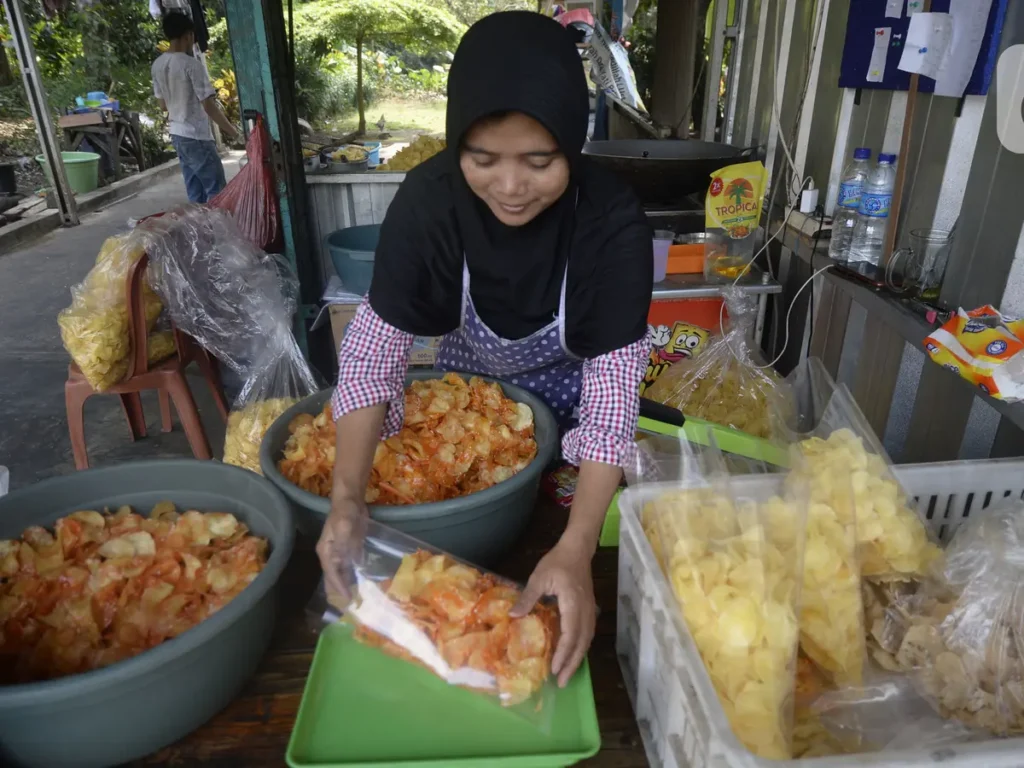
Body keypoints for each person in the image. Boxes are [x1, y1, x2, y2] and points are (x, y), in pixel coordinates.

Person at [317, 11, 653, 687]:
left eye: (539, 160)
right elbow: (373, 356)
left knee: (555, 558)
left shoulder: (610, 220)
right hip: (476, 412)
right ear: (455, 143)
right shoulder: (429, 202)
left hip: (578, 424)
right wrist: (348, 499)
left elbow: (613, 400)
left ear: (572, 141)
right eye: (482, 159)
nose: (510, 187)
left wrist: (577, 549)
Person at [152, 12, 239, 204]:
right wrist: (234, 133)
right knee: (217, 193)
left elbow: (163, 105)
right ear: (188, 35)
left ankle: (199, 233)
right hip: (196, 136)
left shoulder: (157, 65)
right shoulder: (191, 65)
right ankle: (219, 233)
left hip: (178, 135)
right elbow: (209, 106)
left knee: (196, 195)